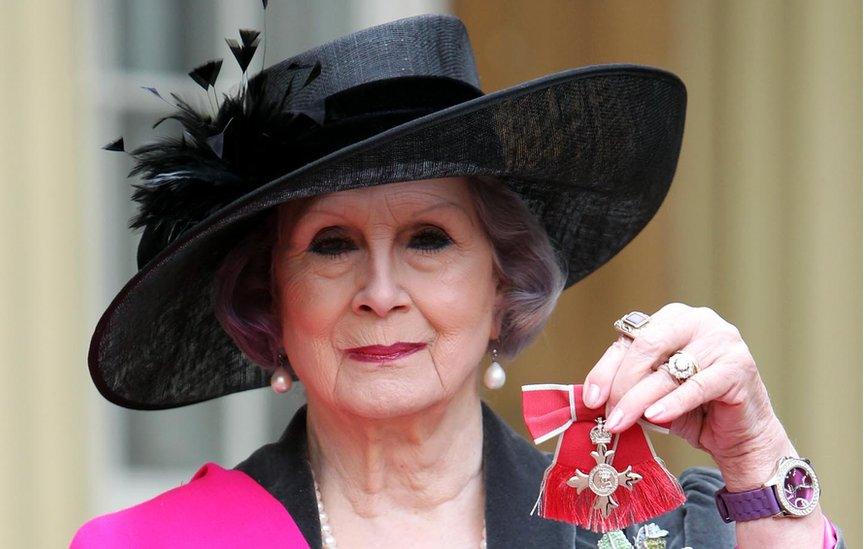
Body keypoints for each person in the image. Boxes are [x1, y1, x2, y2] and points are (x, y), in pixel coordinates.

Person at [72, 12, 844, 549]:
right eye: (333, 244)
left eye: (429, 239)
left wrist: (758, 457)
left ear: (503, 283)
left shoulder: (648, 536)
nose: (381, 290)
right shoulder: (154, 542)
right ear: (270, 301)